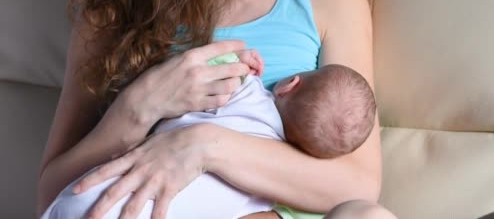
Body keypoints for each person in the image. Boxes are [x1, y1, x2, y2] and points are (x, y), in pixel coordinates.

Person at [36, 0, 396, 218]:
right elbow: (50, 196)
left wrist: (204, 146)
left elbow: (358, 184)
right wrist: (138, 108)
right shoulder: (118, 3)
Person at [41, 51, 378, 218]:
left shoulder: (245, 91)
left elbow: (207, 70)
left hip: (88, 196)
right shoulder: (265, 186)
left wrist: (237, 61)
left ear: (291, 83)